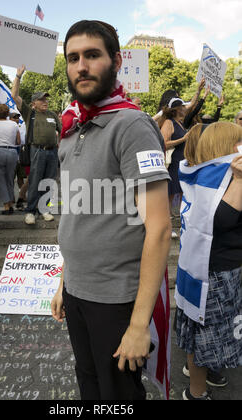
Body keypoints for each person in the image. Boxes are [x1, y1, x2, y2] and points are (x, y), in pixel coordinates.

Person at [51, 20, 172, 400]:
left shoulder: (132, 125)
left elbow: (159, 228)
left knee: (118, 393)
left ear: (116, 60)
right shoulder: (71, 129)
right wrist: (63, 282)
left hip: (116, 298)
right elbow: (78, 211)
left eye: (92, 55)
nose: (81, 66)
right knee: (88, 381)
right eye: (73, 58)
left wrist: (139, 324)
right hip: (77, 290)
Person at [175, 122, 242, 400]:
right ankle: (197, 392)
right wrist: (239, 181)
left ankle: (204, 370)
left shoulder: (203, 176)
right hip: (214, 275)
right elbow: (222, 218)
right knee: (205, 336)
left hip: (202, 270)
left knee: (202, 333)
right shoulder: (227, 180)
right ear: (227, 148)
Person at [12, 73, 62, 225]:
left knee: (48, 182)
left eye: (46, 99)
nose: (45, 101)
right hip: (37, 151)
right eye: (41, 99)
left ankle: (44, 209)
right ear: (34, 103)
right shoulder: (30, 113)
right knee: (34, 181)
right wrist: (18, 76)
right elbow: (14, 95)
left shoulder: (53, 114)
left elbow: (63, 131)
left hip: (53, 151)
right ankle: (30, 211)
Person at [158, 98, 188, 237]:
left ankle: (181, 224)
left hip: (182, 162)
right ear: (177, 109)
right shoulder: (169, 123)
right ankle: (167, 227)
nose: (185, 109)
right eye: (183, 106)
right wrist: (183, 139)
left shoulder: (179, 123)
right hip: (173, 162)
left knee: (181, 193)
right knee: (170, 195)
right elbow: (164, 143)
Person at [0, 105, 20, 215]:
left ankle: (7, 205)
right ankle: (11, 202)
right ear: (7, 114)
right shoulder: (14, 124)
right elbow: (18, 141)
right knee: (10, 178)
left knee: (0, 179)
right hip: (12, 151)